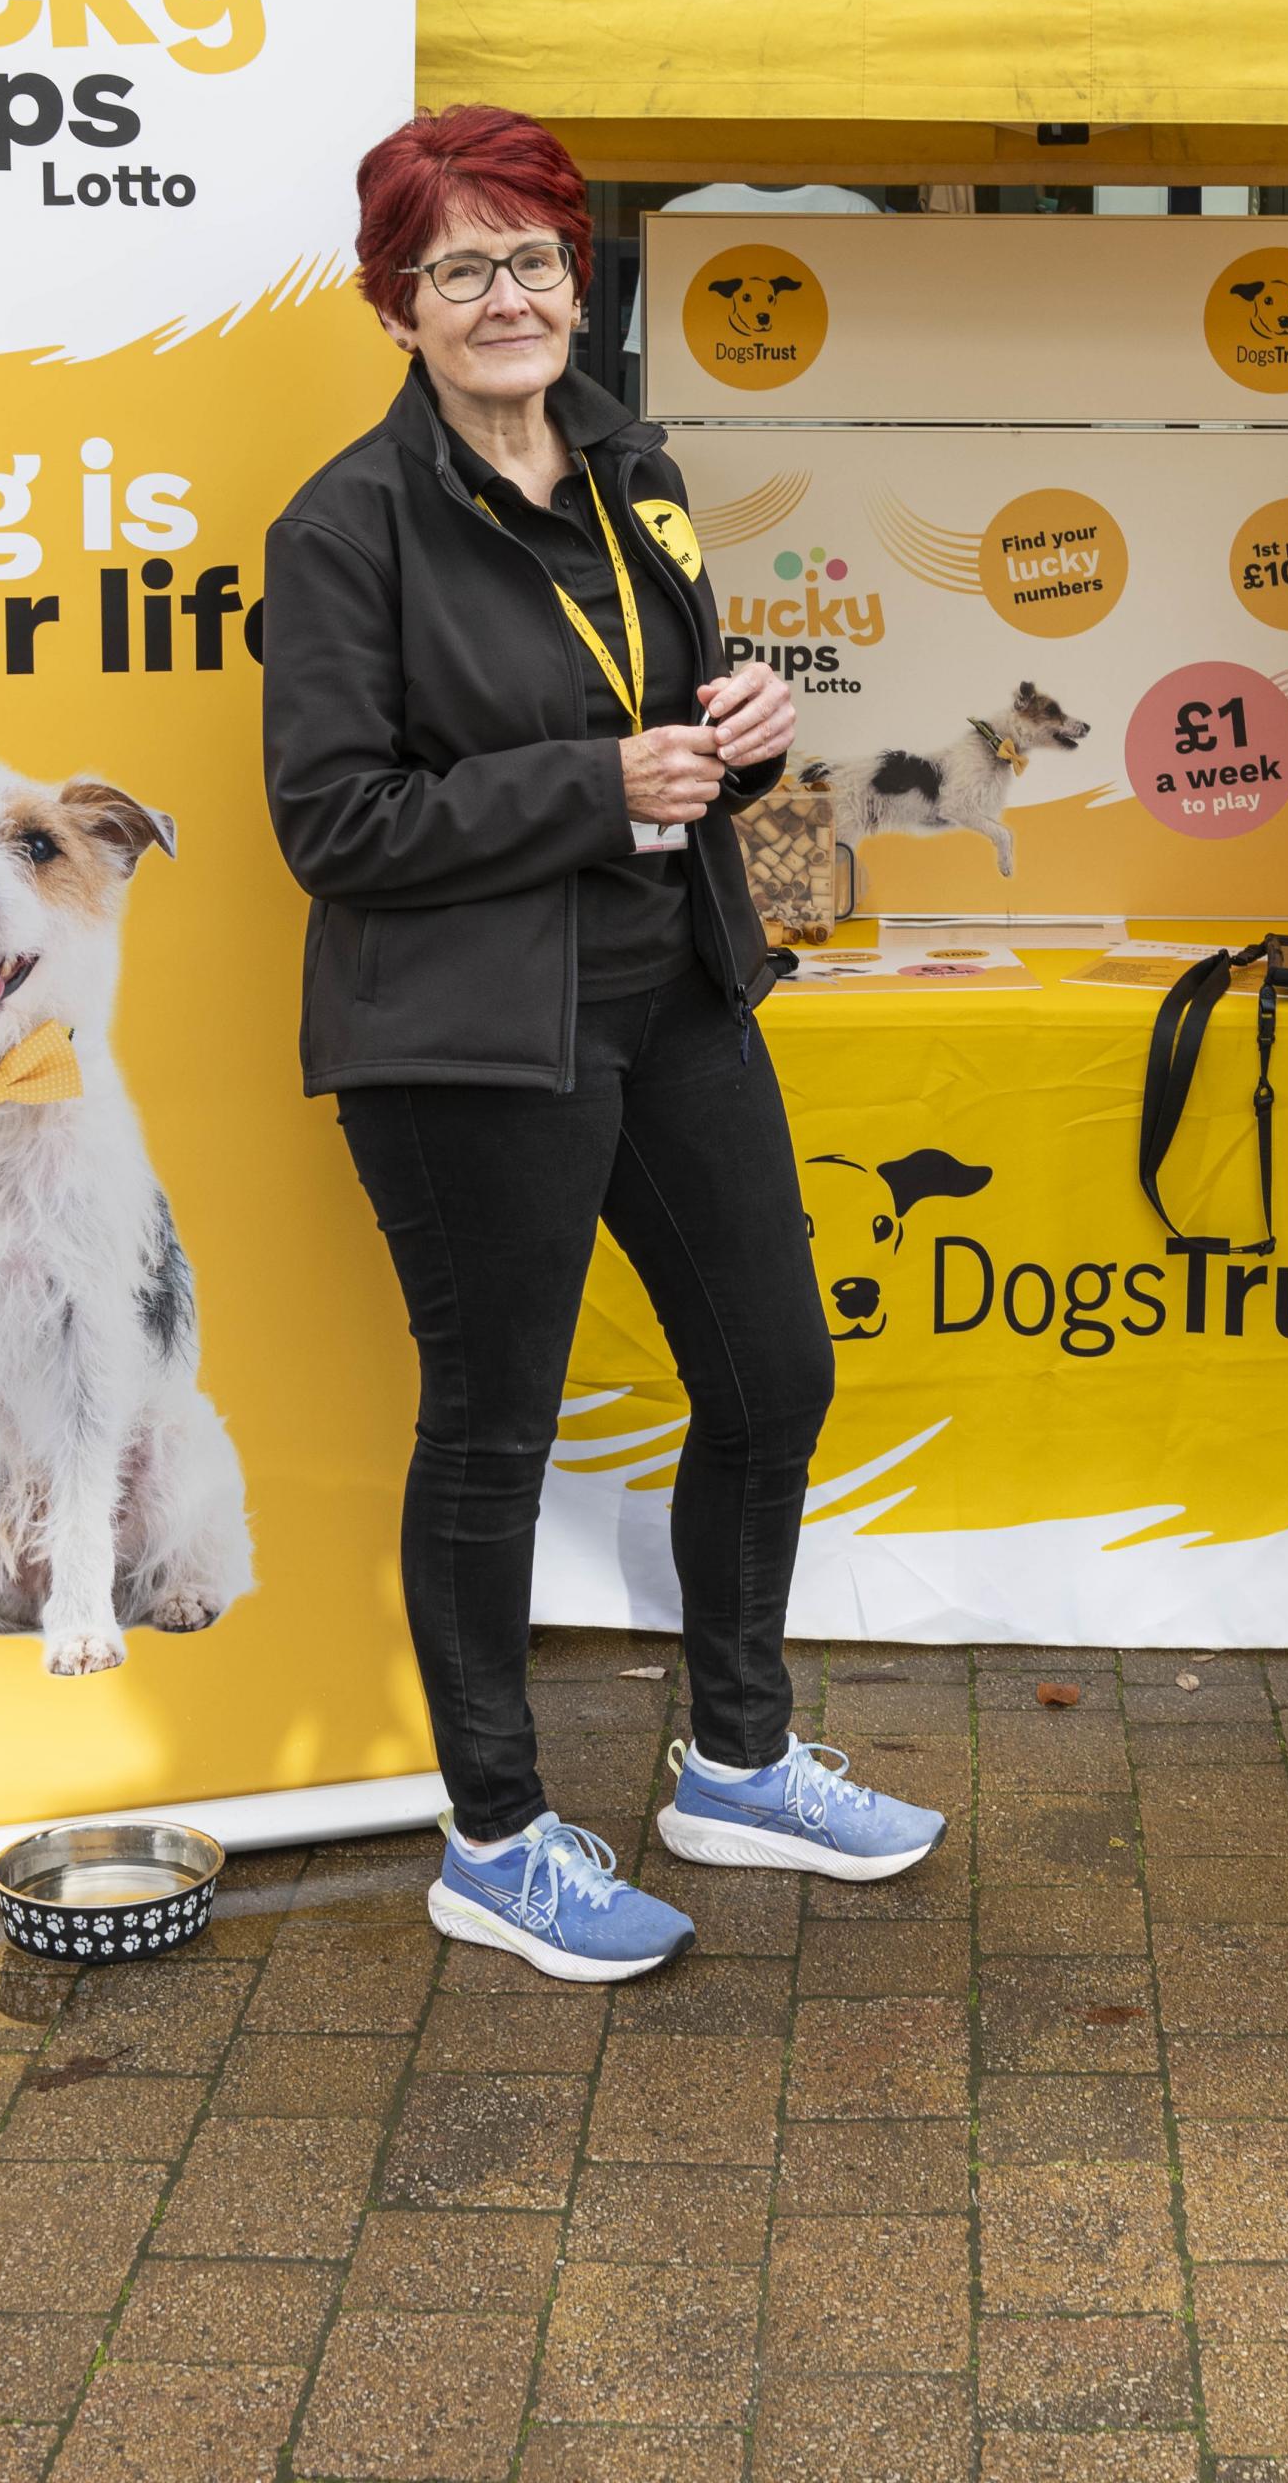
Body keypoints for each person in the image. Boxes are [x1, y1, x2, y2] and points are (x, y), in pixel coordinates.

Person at [261, 102, 943, 1983]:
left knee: (776, 1372)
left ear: (583, 280)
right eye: (459, 265)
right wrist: (590, 781)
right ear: (394, 301)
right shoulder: (347, 526)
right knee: (491, 1433)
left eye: (536, 258)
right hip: (477, 1043)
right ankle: (492, 1836)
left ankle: (734, 1759)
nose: (506, 296)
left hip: (675, 992)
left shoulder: (630, 466)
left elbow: (676, 721)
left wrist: (745, 724)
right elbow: (332, 824)